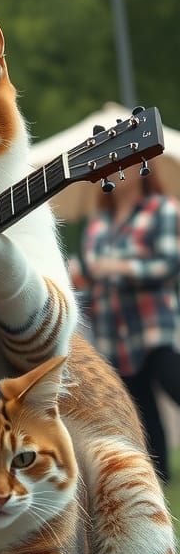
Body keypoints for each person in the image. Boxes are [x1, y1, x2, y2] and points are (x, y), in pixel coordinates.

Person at [79, 163, 180, 481]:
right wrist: (80, 278)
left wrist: (123, 268)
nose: (119, 172)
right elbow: (92, 276)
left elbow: (168, 264)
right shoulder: (98, 223)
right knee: (141, 407)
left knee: (173, 382)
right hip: (113, 332)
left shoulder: (161, 209)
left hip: (153, 324)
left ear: (144, 170)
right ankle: (161, 477)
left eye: (128, 165)